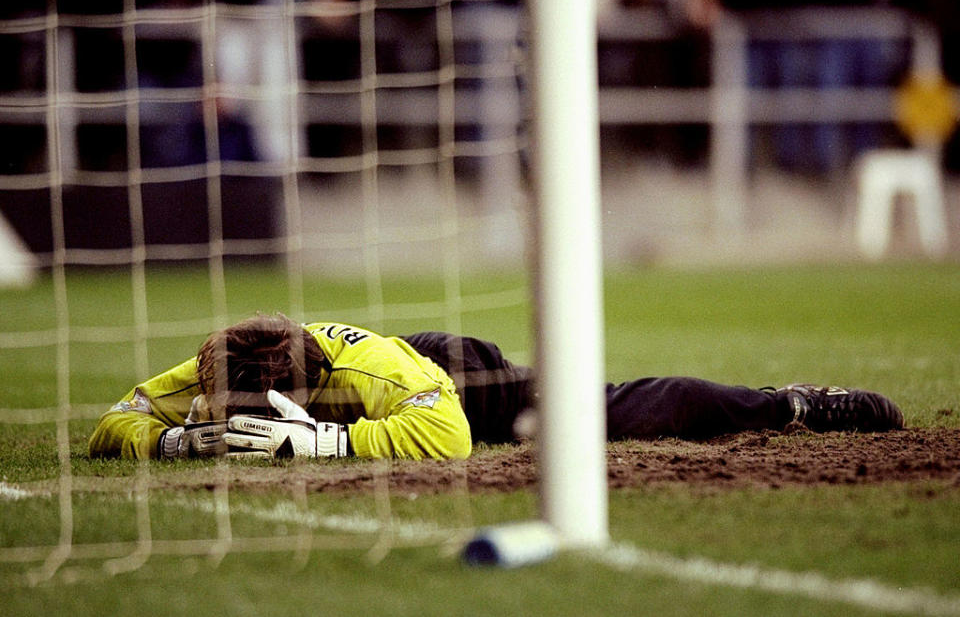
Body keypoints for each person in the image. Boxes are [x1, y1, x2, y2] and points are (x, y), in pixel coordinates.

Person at [88, 313, 904, 462]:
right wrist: (169, 438)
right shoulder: (219, 368)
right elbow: (112, 419)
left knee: (604, 415)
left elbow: (442, 436)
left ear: (299, 392)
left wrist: (328, 441)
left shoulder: (371, 374)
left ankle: (794, 402)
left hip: (458, 380)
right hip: (409, 386)